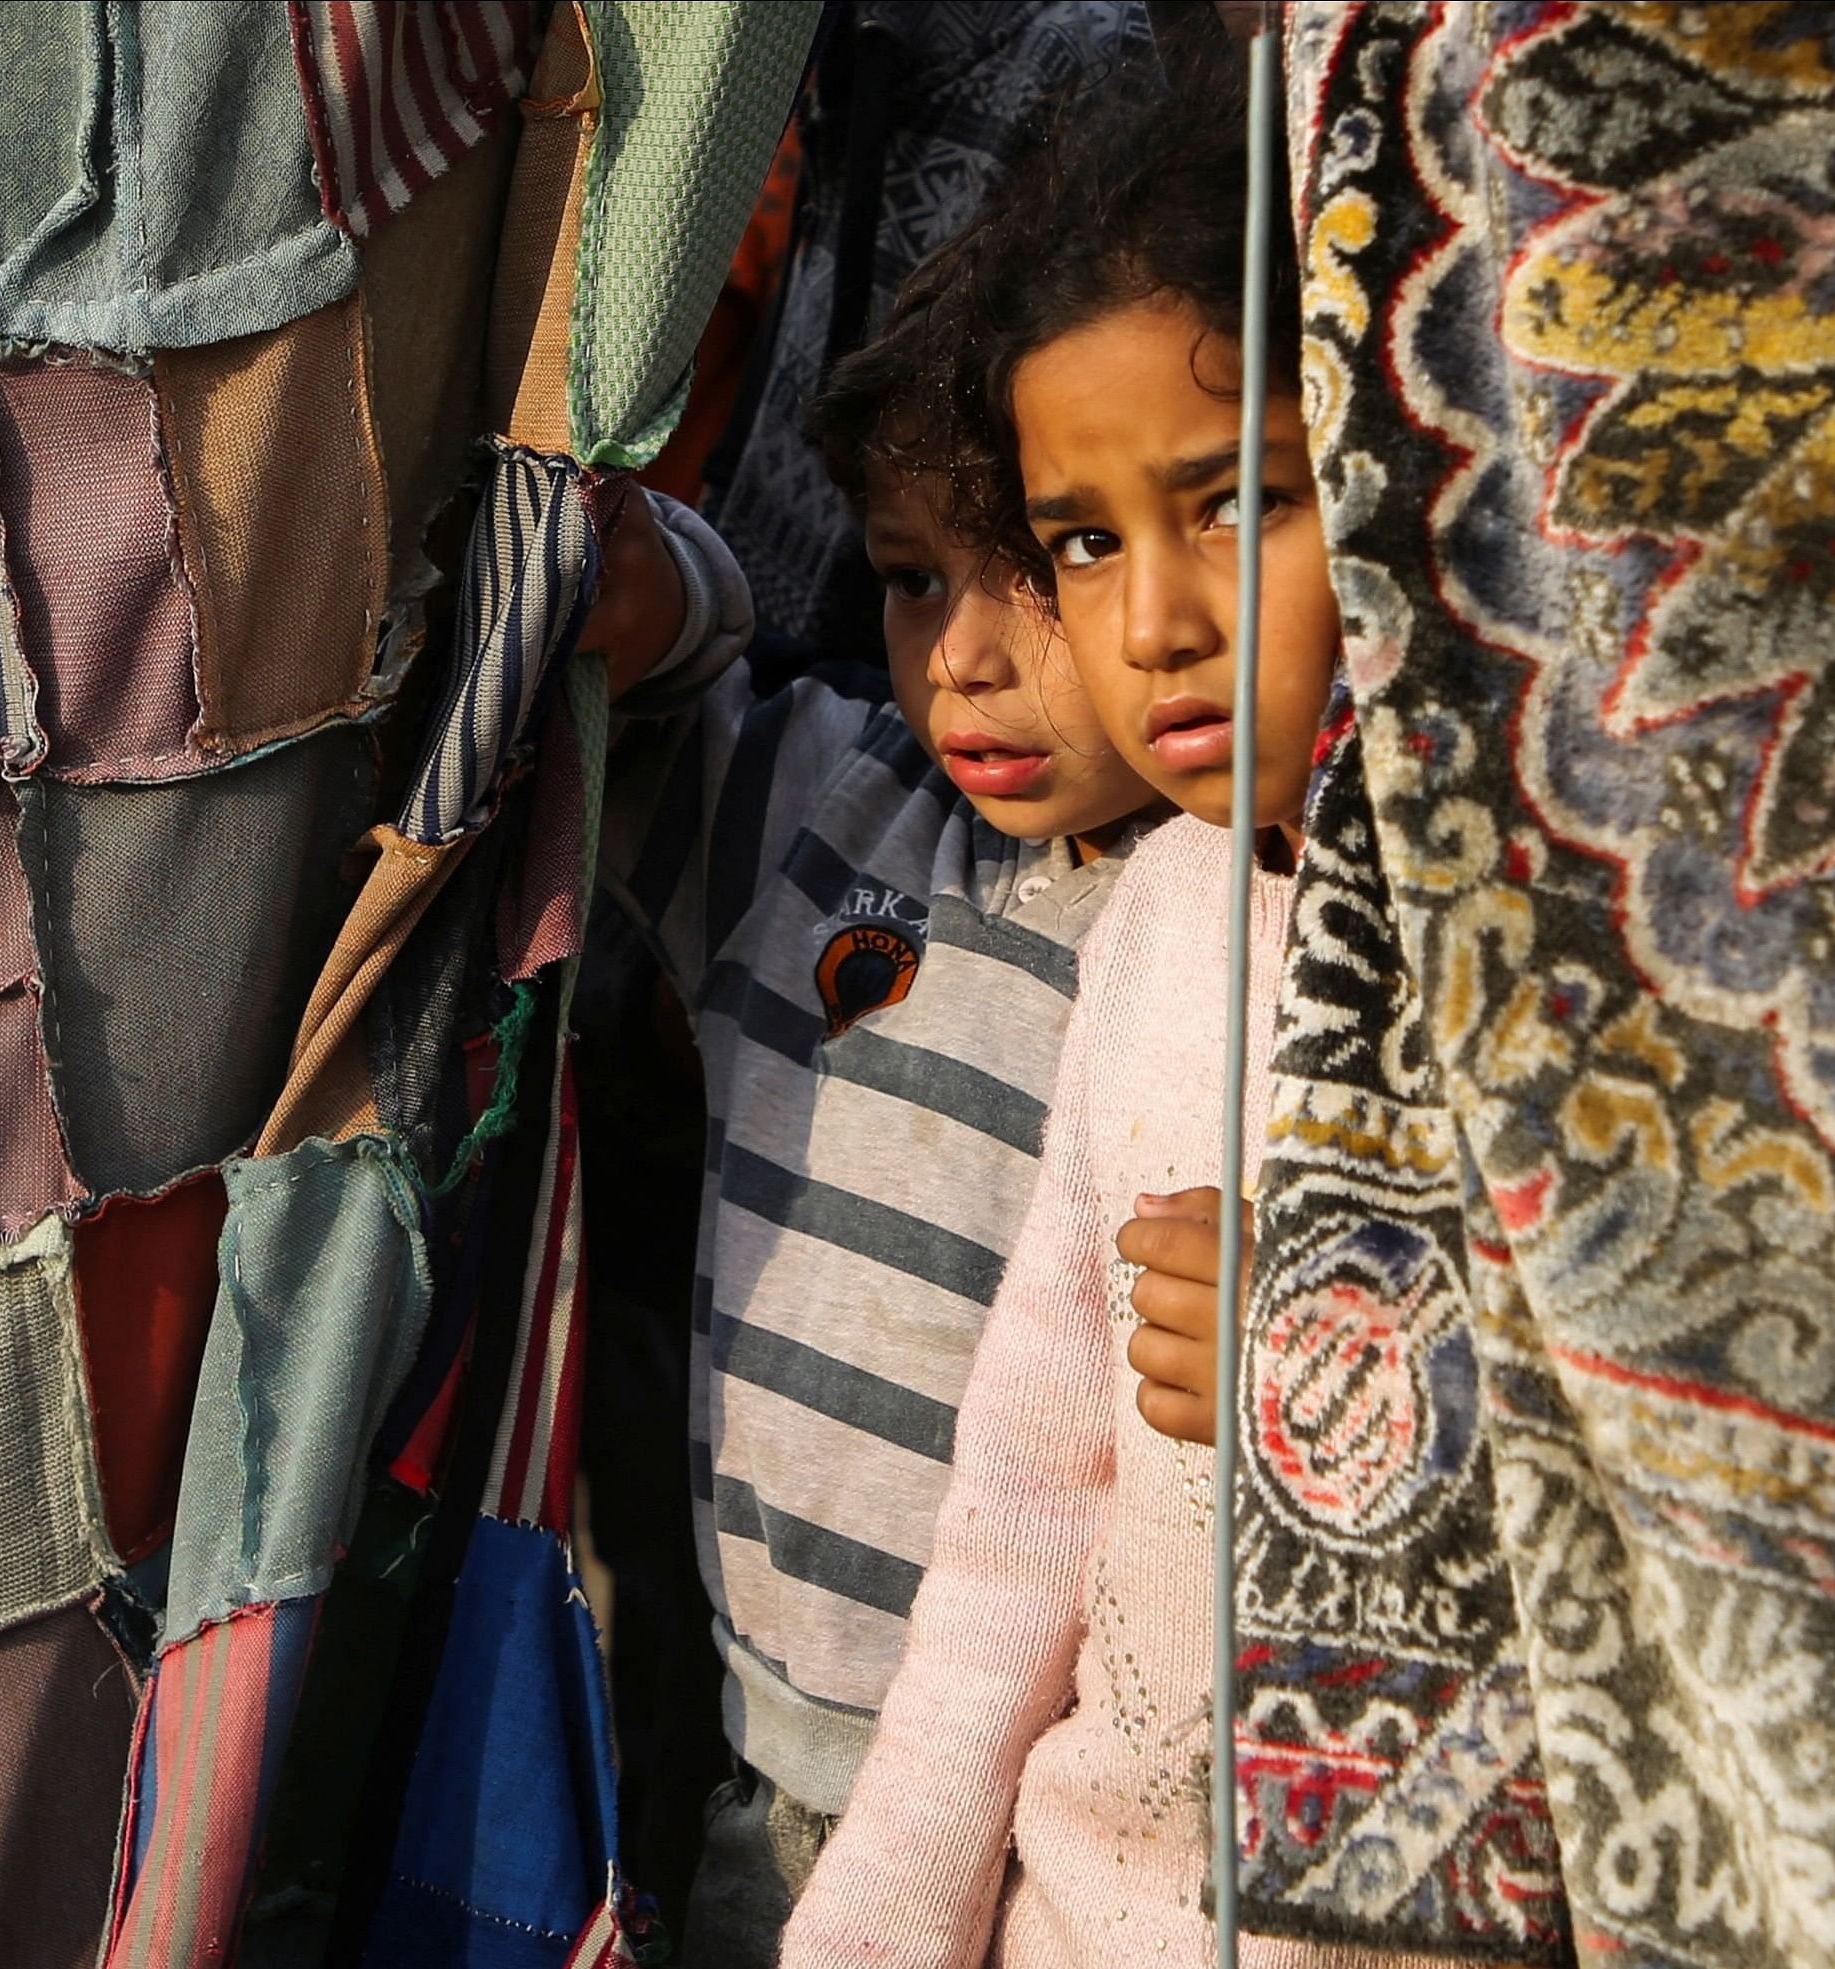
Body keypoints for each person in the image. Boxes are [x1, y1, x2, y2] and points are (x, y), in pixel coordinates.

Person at [777, 53, 1445, 1969]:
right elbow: (1024, 1499)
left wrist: (1335, 1350)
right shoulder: (1158, 922)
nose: (1152, 620)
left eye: (1243, 502)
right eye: (1084, 538)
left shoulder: (1535, 956)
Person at [589, 236, 1168, 1962]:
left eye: (1046, 571)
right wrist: (655, 589)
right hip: (773, 1776)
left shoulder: (1241, 922)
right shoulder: (829, 820)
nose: (967, 660)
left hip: (1075, 1813)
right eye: (917, 580)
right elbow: (662, 665)